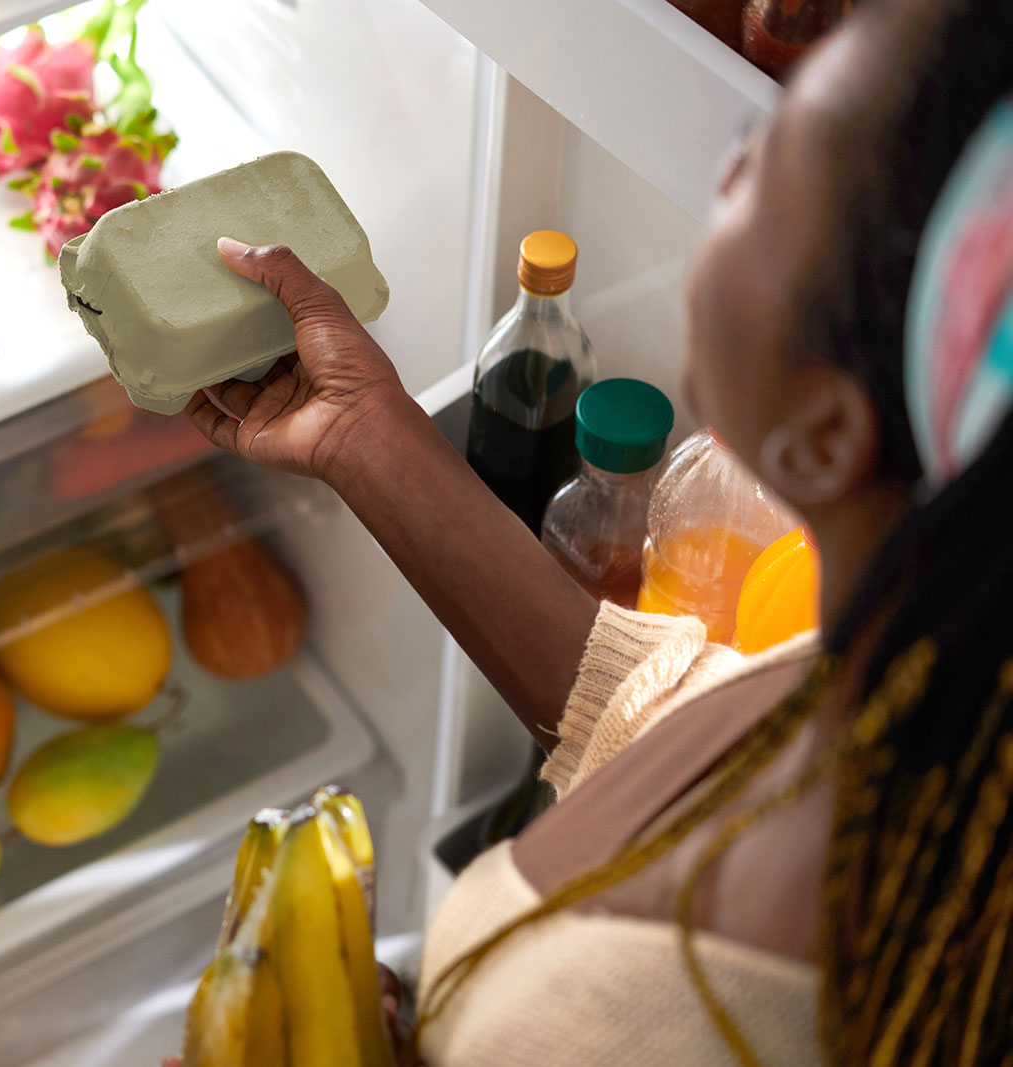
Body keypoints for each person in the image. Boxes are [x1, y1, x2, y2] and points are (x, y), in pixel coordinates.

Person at [164, 0, 1013, 1061]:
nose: (723, 175)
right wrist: (360, 432)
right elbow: (655, 714)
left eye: (763, 161)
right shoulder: (925, 697)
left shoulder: (602, 1025)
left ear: (823, 434)